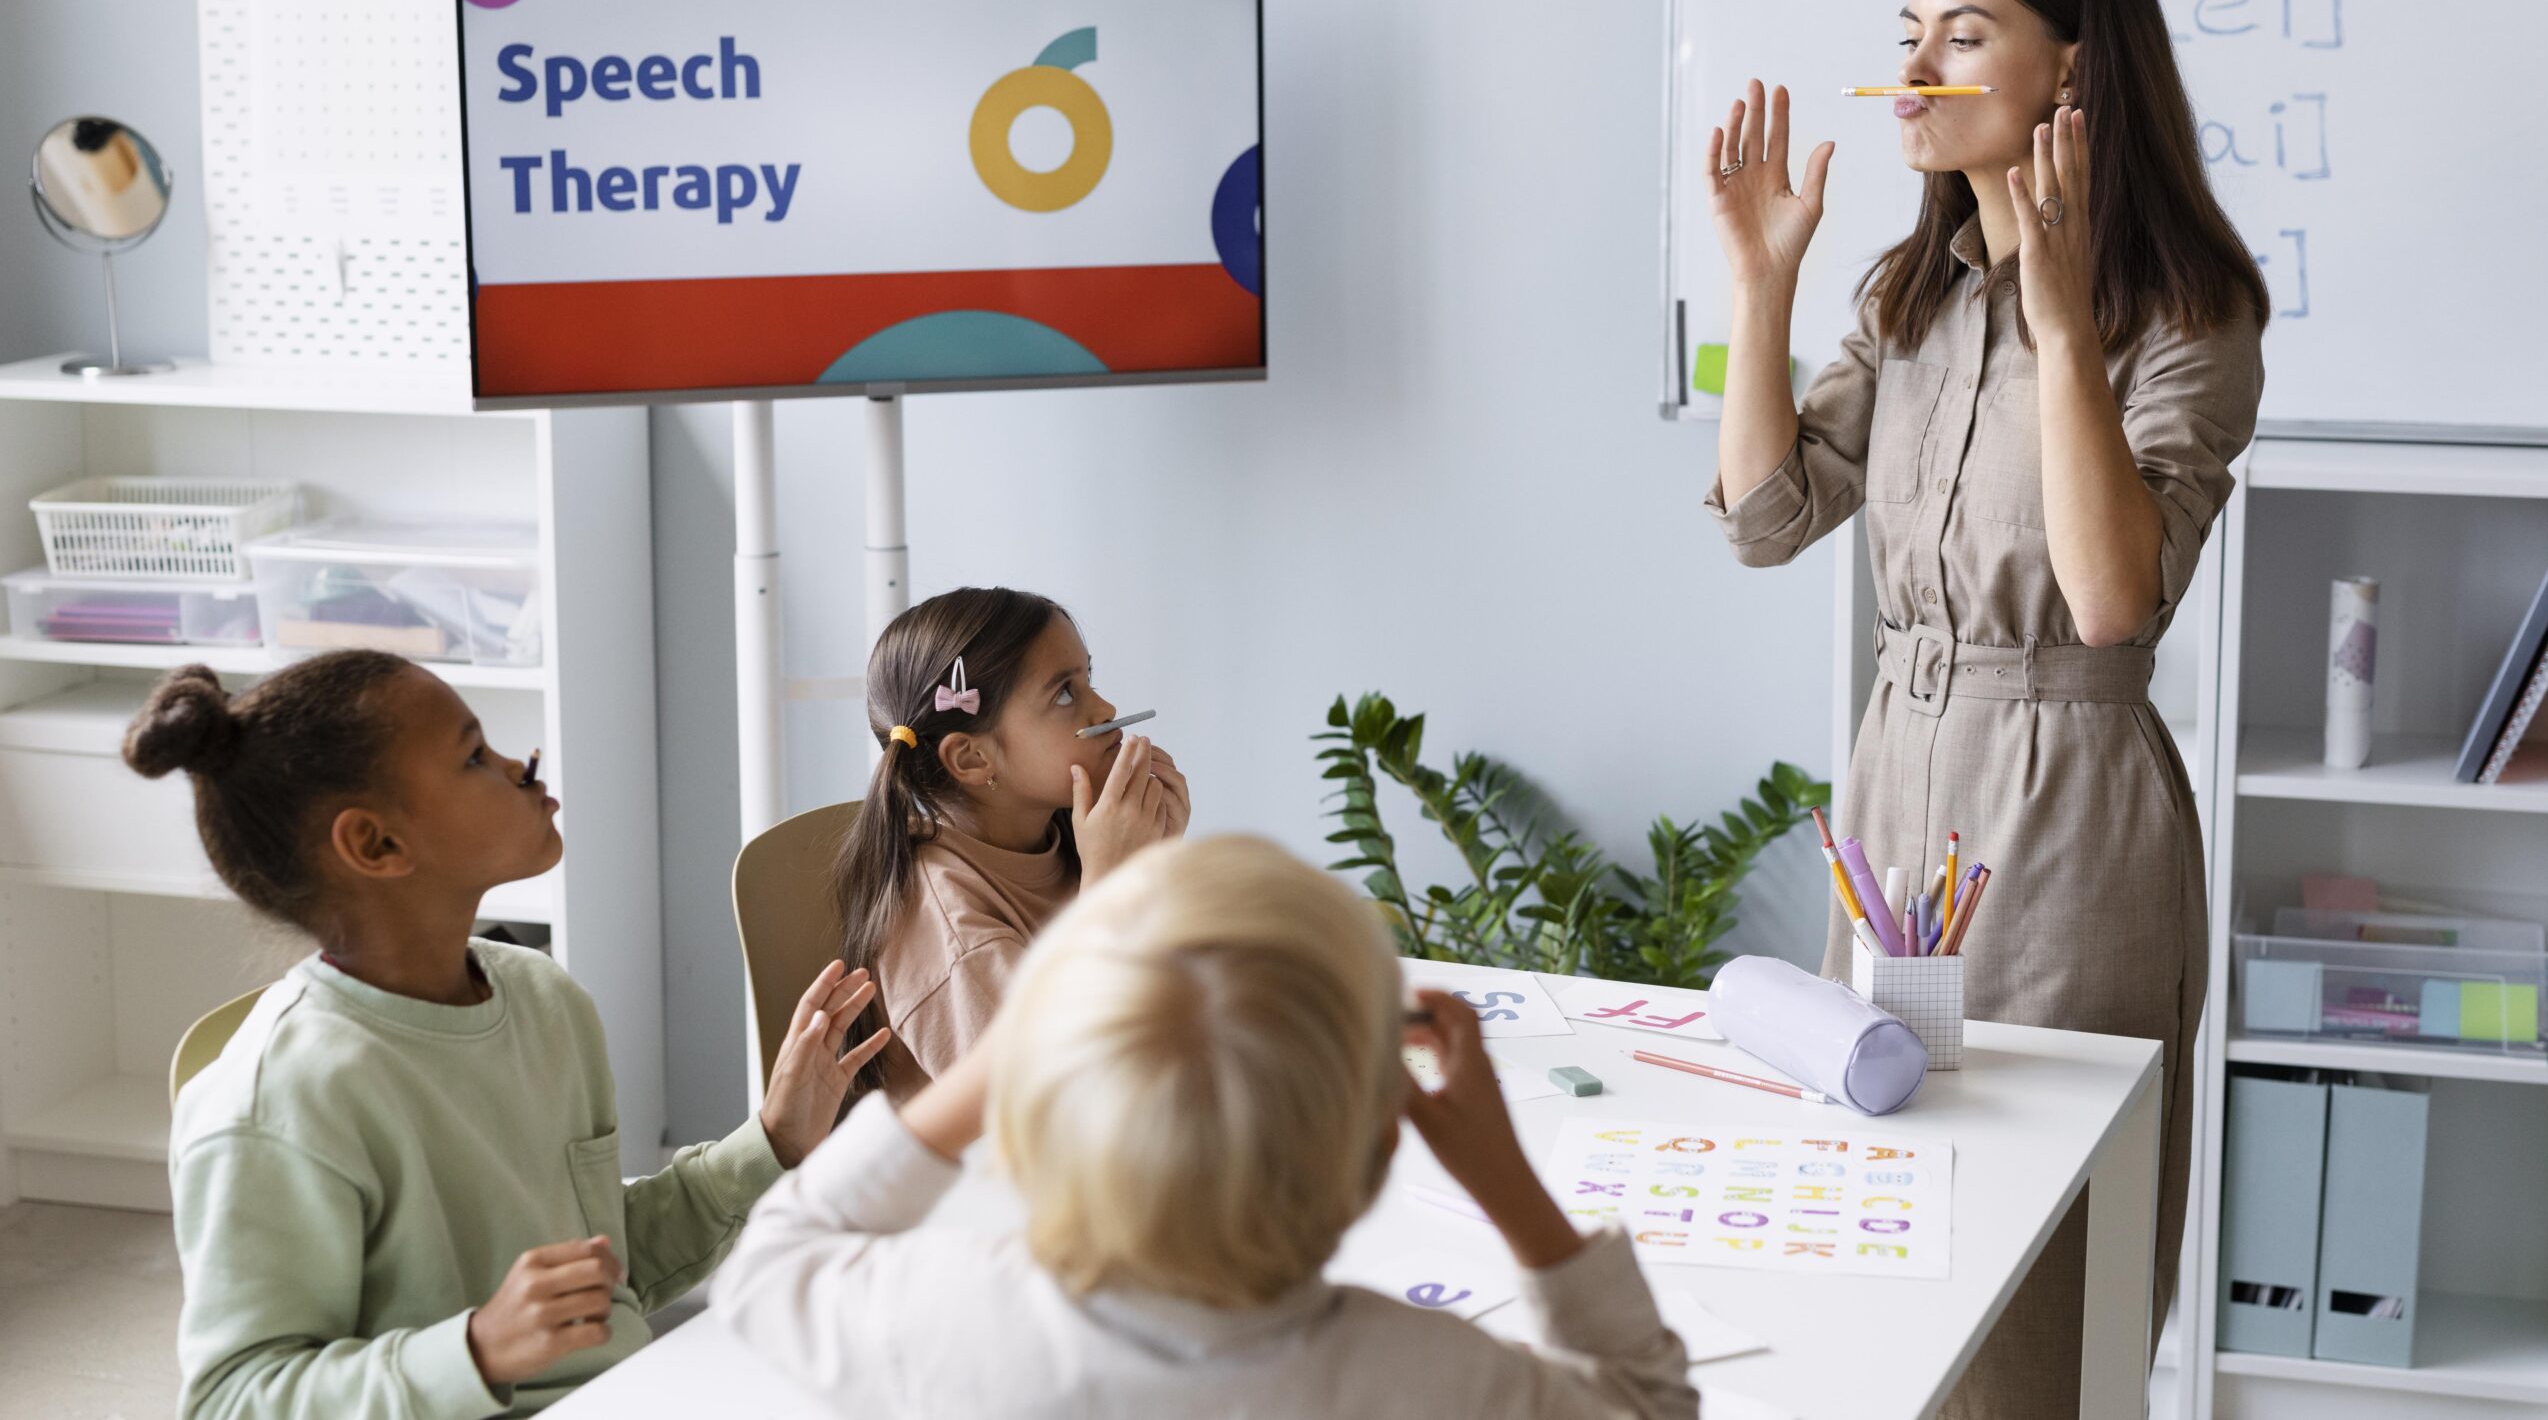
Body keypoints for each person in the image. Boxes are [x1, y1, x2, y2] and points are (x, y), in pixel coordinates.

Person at [1701, 0, 2266, 1416]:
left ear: (2074, 73)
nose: (1919, 68)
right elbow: (1765, 518)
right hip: (1898, 792)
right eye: (1909, 37)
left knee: (2035, 1283)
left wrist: (2065, 316)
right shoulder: (1907, 296)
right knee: (1876, 1221)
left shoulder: (2192, 313)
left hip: (2072, 820)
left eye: (1965, 34)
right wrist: (1761, 282)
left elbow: (2109, 602)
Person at [132, 654, 883, 1417]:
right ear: (376, 844)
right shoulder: (278, 1099)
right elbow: (234, 1398)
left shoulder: (543, 998)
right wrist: (478, 1349)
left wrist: (773, 1141)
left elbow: (605, 1276)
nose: (520, 765)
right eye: (472, 755)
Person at [718, 834, 1695, 1419]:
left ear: (1026, 1128)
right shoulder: (1432, 1377)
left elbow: (769, 1263)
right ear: (1382, 1141)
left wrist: (1003, 1052)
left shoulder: (950, 1325)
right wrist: (1507, 1186)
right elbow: (1642, 1403)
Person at [830, 586, 1190, 1098]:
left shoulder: (1070, 839)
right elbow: (1046, 1112)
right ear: (973, 759)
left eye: (1090, 679)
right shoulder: (951, 931)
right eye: (1065, 693)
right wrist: (1110, 892)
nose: (1105, 707)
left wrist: (1150, 872)